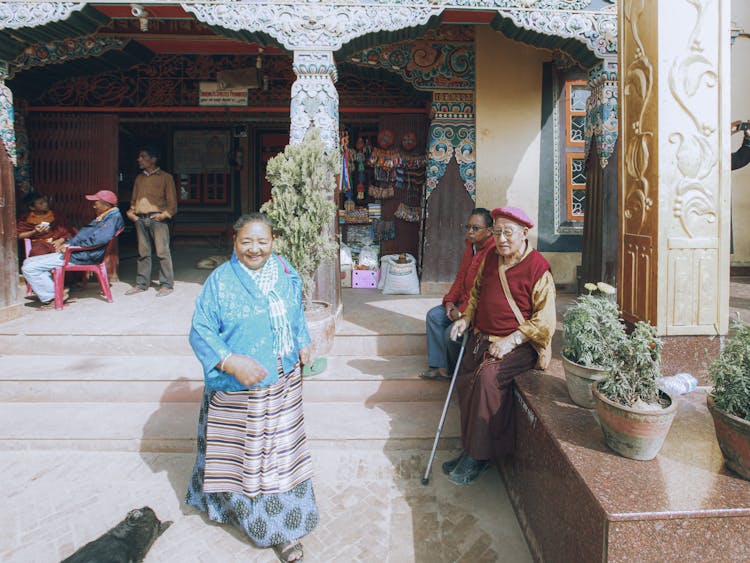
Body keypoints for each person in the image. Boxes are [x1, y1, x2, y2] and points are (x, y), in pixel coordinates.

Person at [186, 213, 317, 563]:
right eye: (246, 241)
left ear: (273, 241)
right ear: (234, 242)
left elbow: (296, 313)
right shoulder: (220, 281)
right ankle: (253, 519)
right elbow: (200, 331)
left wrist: (303, 341)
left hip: (284, 380)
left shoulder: (285, 271)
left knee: (279, 456)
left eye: (262, 241)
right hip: (241, 386)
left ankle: (280, 525)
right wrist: (230, 361)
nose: (254, 249)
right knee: (246, 457)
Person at [445, 206, 556, 486]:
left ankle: (480, 457)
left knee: (487, 379)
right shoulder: (491, 258)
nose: (502, 239)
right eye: (497, 232)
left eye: (508, 233)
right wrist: (466, 318)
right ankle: (469, 448)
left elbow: (545, 322)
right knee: (466, 379)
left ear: (524, 234)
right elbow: (477, 293)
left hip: (520, 345)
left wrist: (512, 341)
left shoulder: (538, 268)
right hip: (484, 337)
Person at [420, 208, 495, 381]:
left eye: (476, 228)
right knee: (434, 316)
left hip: (474, 310)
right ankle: (439, 366)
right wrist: (449, 302)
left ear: (489, 231)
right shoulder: (471, 247)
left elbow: (482, 292)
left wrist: (461, 312)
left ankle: (453, 370)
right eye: (468, 227)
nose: (470, 231)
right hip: (459, 303)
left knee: (450, 334)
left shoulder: (491, 253)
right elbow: (460, 278)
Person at [21, 190, 124, 310]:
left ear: (105, 205)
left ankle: (52, 297)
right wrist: (68, 242)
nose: (94, 205)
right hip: (79, 252)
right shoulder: (107, 216)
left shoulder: (112, 218)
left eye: (96, 203)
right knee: (28, 262)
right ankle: (55, 292)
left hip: (81, 255)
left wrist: (69, 247)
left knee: (29, 268)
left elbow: (98, 240)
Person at [125, 146, 177, 297]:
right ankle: (141, 284)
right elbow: (134, 200)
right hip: (140, 219)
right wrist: (132, 213)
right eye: (139, 157)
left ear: (153, 159)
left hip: (158, 219)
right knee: (143, 253)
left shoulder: (165, 177)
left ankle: (166, 285)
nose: (139, 160)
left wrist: (164, 215)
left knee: (162, 252)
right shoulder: (139, 178)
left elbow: (172, 201)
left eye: (143, 156)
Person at [16, 192, 73, 257]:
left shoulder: (56, 216)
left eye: (45, 201)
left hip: (57, 243)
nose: (45, 204)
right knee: (38, 250)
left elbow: (70, 232)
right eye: (41, 203)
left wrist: (60, 241)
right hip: (39, 245)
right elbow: (18, 235)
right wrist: (34, 232)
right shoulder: (26, 219)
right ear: (32, 208)